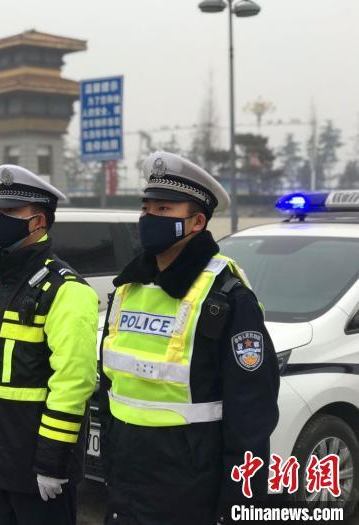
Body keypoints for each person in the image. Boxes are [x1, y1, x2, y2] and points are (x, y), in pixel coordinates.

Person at [99, 151, 280, 525]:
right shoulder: (128, 289)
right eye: (146, 208)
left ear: (197, 222)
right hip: (125, 481)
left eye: (164, 209)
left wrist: (241, 505)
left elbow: (251, 416)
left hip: (190, 491)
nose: (149, 217)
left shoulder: (227, 298)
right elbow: (113, 385)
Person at [0, 165, 99, 525]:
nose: (0, 220)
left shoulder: (66, 289)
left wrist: (52, 460)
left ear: (38, 222)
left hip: (39, 466)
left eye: (11, 212)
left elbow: (73, 382)